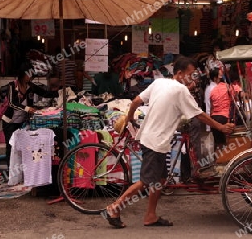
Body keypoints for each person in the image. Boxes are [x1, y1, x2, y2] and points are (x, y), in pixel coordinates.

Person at [102, 56, 235, 228]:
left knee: (161, 179)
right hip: (155, 142)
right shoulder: (180, 90)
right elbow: (199, 115)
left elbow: (135, 102)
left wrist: (129, 119)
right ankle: (114, 208)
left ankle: (150, 215)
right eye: (190, 74)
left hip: (152, 139)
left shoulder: (159, 83)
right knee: (147, 181)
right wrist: (221, 127)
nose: (193, 77)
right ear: (179, 74)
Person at [2, 63, 59, 170]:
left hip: (21, 122)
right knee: (11, 146)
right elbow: (12, 103)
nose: (31, 76)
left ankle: (20, 171)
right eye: (29, 74)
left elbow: (45, 93)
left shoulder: (30, 86)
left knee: (22, 146)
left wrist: (60, 92)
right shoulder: (12, 86)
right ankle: (10, 172)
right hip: (9, 122)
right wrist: (27, 108)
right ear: (23, 74)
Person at [210, 69, 241, 149]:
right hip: (224, 117)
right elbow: (239, 93)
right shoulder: (228, 86)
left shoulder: (212, 90)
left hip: (214, 119)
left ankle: (218, 159)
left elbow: (211, 107)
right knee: (228, 143)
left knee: (218, 144)